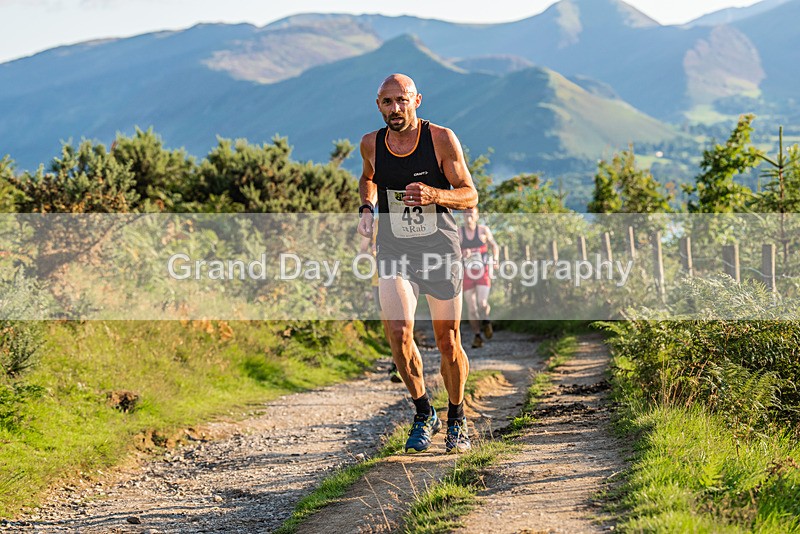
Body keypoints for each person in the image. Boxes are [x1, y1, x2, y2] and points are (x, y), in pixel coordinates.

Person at [357, 73, 478, 454]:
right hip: (395, 250)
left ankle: (457, 417)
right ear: (379, 105)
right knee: (398, 332)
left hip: (440, 249)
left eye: (402, 100)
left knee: (448, 341)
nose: (395, 108)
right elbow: (368, 177)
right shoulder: (371, 143)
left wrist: (434, 194)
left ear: (417, 100)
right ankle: (424, 412)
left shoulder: (440, 138)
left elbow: (470, 195)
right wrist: (367, 208)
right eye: (387, 102)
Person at [459, 207, 499, 349]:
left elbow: (494, 246)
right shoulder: (459, 232)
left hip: (482, 271)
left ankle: (486, 321)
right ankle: (477, 336)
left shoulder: (483, 230)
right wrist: (462, 254)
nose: (468, 216)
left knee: (482, 303)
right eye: (465, 214)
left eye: (471, 213)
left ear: (477, 216)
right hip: (467, 273)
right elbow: (453, 251)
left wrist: (495, 260)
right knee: (471, 308)